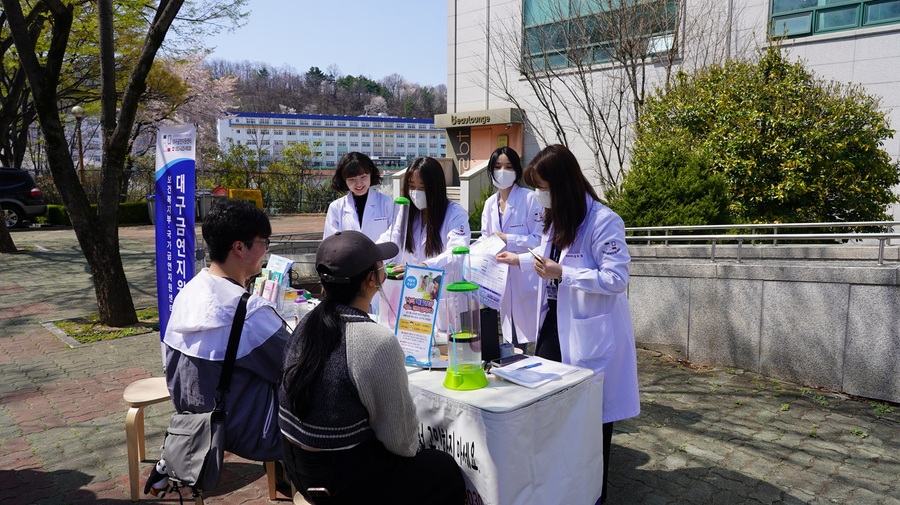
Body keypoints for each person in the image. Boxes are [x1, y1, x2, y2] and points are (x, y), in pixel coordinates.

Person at [496, 145, 640, 505]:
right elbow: (548, 258)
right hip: (553, 326)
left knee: (592, 421)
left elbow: (616, 279)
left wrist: (566, 274)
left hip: (589, 334)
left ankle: (594, 495)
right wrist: (522, 261)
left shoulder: (604, 221)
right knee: (549, 408)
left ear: (562, 184)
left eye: (543, 187)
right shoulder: (557, 216)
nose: (539, 194)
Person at [279, 231, 465, 505]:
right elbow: (402, 444)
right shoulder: (375, 340)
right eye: (381, 266)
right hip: (341, 480)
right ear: (372, 279)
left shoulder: (308, 321)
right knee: (445, 471)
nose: (386, 268)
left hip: (298, 467)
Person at [163, 198, 290, 463]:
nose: (266, 249)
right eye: (263, 242)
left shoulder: (187, 293)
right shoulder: (249, 313)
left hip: (197, 424)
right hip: (254, 434)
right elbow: (297, 365)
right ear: (240, 247)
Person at [474, 147, 543, 349]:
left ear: (517, 170)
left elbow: (540, 240)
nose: (502, 171)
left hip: (526, 280)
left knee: (530, 340)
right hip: (499, 282)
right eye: (497, 167)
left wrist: (509, 239)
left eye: (508, 166)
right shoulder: (489, 204)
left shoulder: (530, 199)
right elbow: (485, 239)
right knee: (508, 341)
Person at [387, 156, 470, 276]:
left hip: (442, 289)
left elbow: (456, 252)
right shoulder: (406, 212)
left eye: (422, 187)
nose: (416, 192)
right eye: (411, 186)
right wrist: (375, 254)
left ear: (436, 187)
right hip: (410, 288)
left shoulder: (455, 214)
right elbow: (392, 237)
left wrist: (426, 266)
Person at [323, 152, 394, 243]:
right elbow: (330, 242)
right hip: (349, 257)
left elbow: (394, 234)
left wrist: (377, 253)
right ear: (344, 180)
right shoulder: (336, 207)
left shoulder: (386, 202)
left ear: (370, 174)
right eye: (352, 179)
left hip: (381, 255)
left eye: (363, 177)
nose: (358, 184)